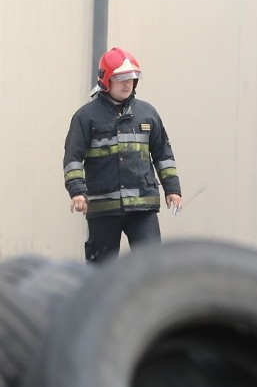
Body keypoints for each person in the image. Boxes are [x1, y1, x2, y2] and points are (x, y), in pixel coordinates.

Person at [63, 47, 183, 263]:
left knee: (150, 265)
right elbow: (73, 159)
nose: (127, 83)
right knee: (101, 270)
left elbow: (163, 154)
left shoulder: (148, 113)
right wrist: (77, 192)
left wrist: (172, 189)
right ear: (106, 79)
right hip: (104, 206)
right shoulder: (86, 117)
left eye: (132, 78)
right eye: (120, 78)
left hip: (143, 205)